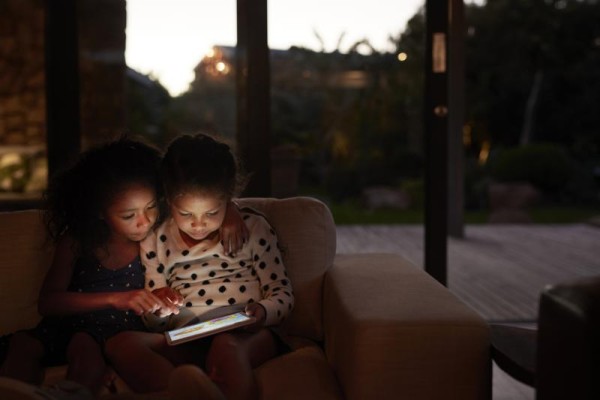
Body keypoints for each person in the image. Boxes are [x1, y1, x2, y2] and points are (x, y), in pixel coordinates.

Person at [0, 137, 247, 398]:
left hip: (121, 333)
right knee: (23, 345)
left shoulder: (160, 234)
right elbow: (48, 303)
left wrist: (230, 209)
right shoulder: (77, 241)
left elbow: (199, 194)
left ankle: (71, 391)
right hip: (69, 325)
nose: (144, 222)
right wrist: (116, 298)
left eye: (151, 207)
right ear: (99, 212)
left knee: (86, 348)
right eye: (128, 216)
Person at [106, 133, 294, 400]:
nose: (198, 224)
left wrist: (263, 312)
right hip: (188, 335)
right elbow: (153, 322)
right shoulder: (155, 238)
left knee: (226, 347)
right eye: (185, 214)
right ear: (168, 201)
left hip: (243, 334)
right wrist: (158, 305)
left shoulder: (253, 229)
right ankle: (185, 390)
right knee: (121, 345)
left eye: (212, 213)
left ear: (227, 201)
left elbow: (283, 295)